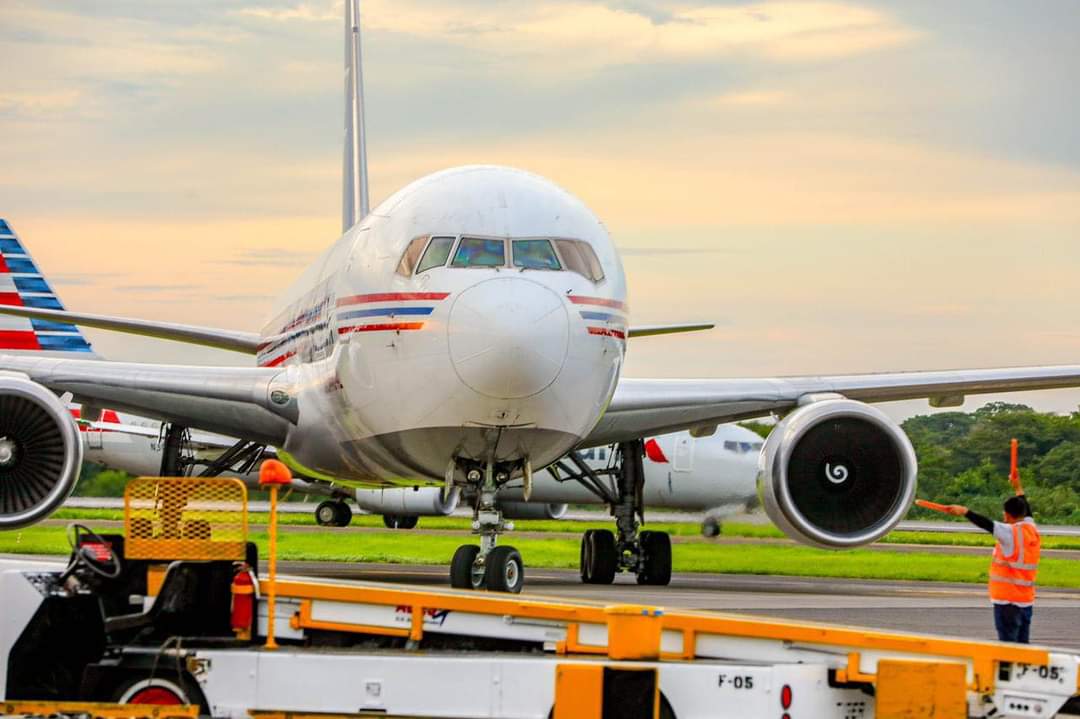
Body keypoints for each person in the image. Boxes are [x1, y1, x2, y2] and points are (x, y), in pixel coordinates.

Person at [919, 473, 1040, 643]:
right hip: (1025, 602)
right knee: (1022, 647)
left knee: (1008, 648)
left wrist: (965, 512)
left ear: (1007, 515)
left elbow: (987, 524)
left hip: (1007, 603)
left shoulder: (1010, 533)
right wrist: (1018, 488)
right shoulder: (1031, 528)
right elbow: (1027, 509)